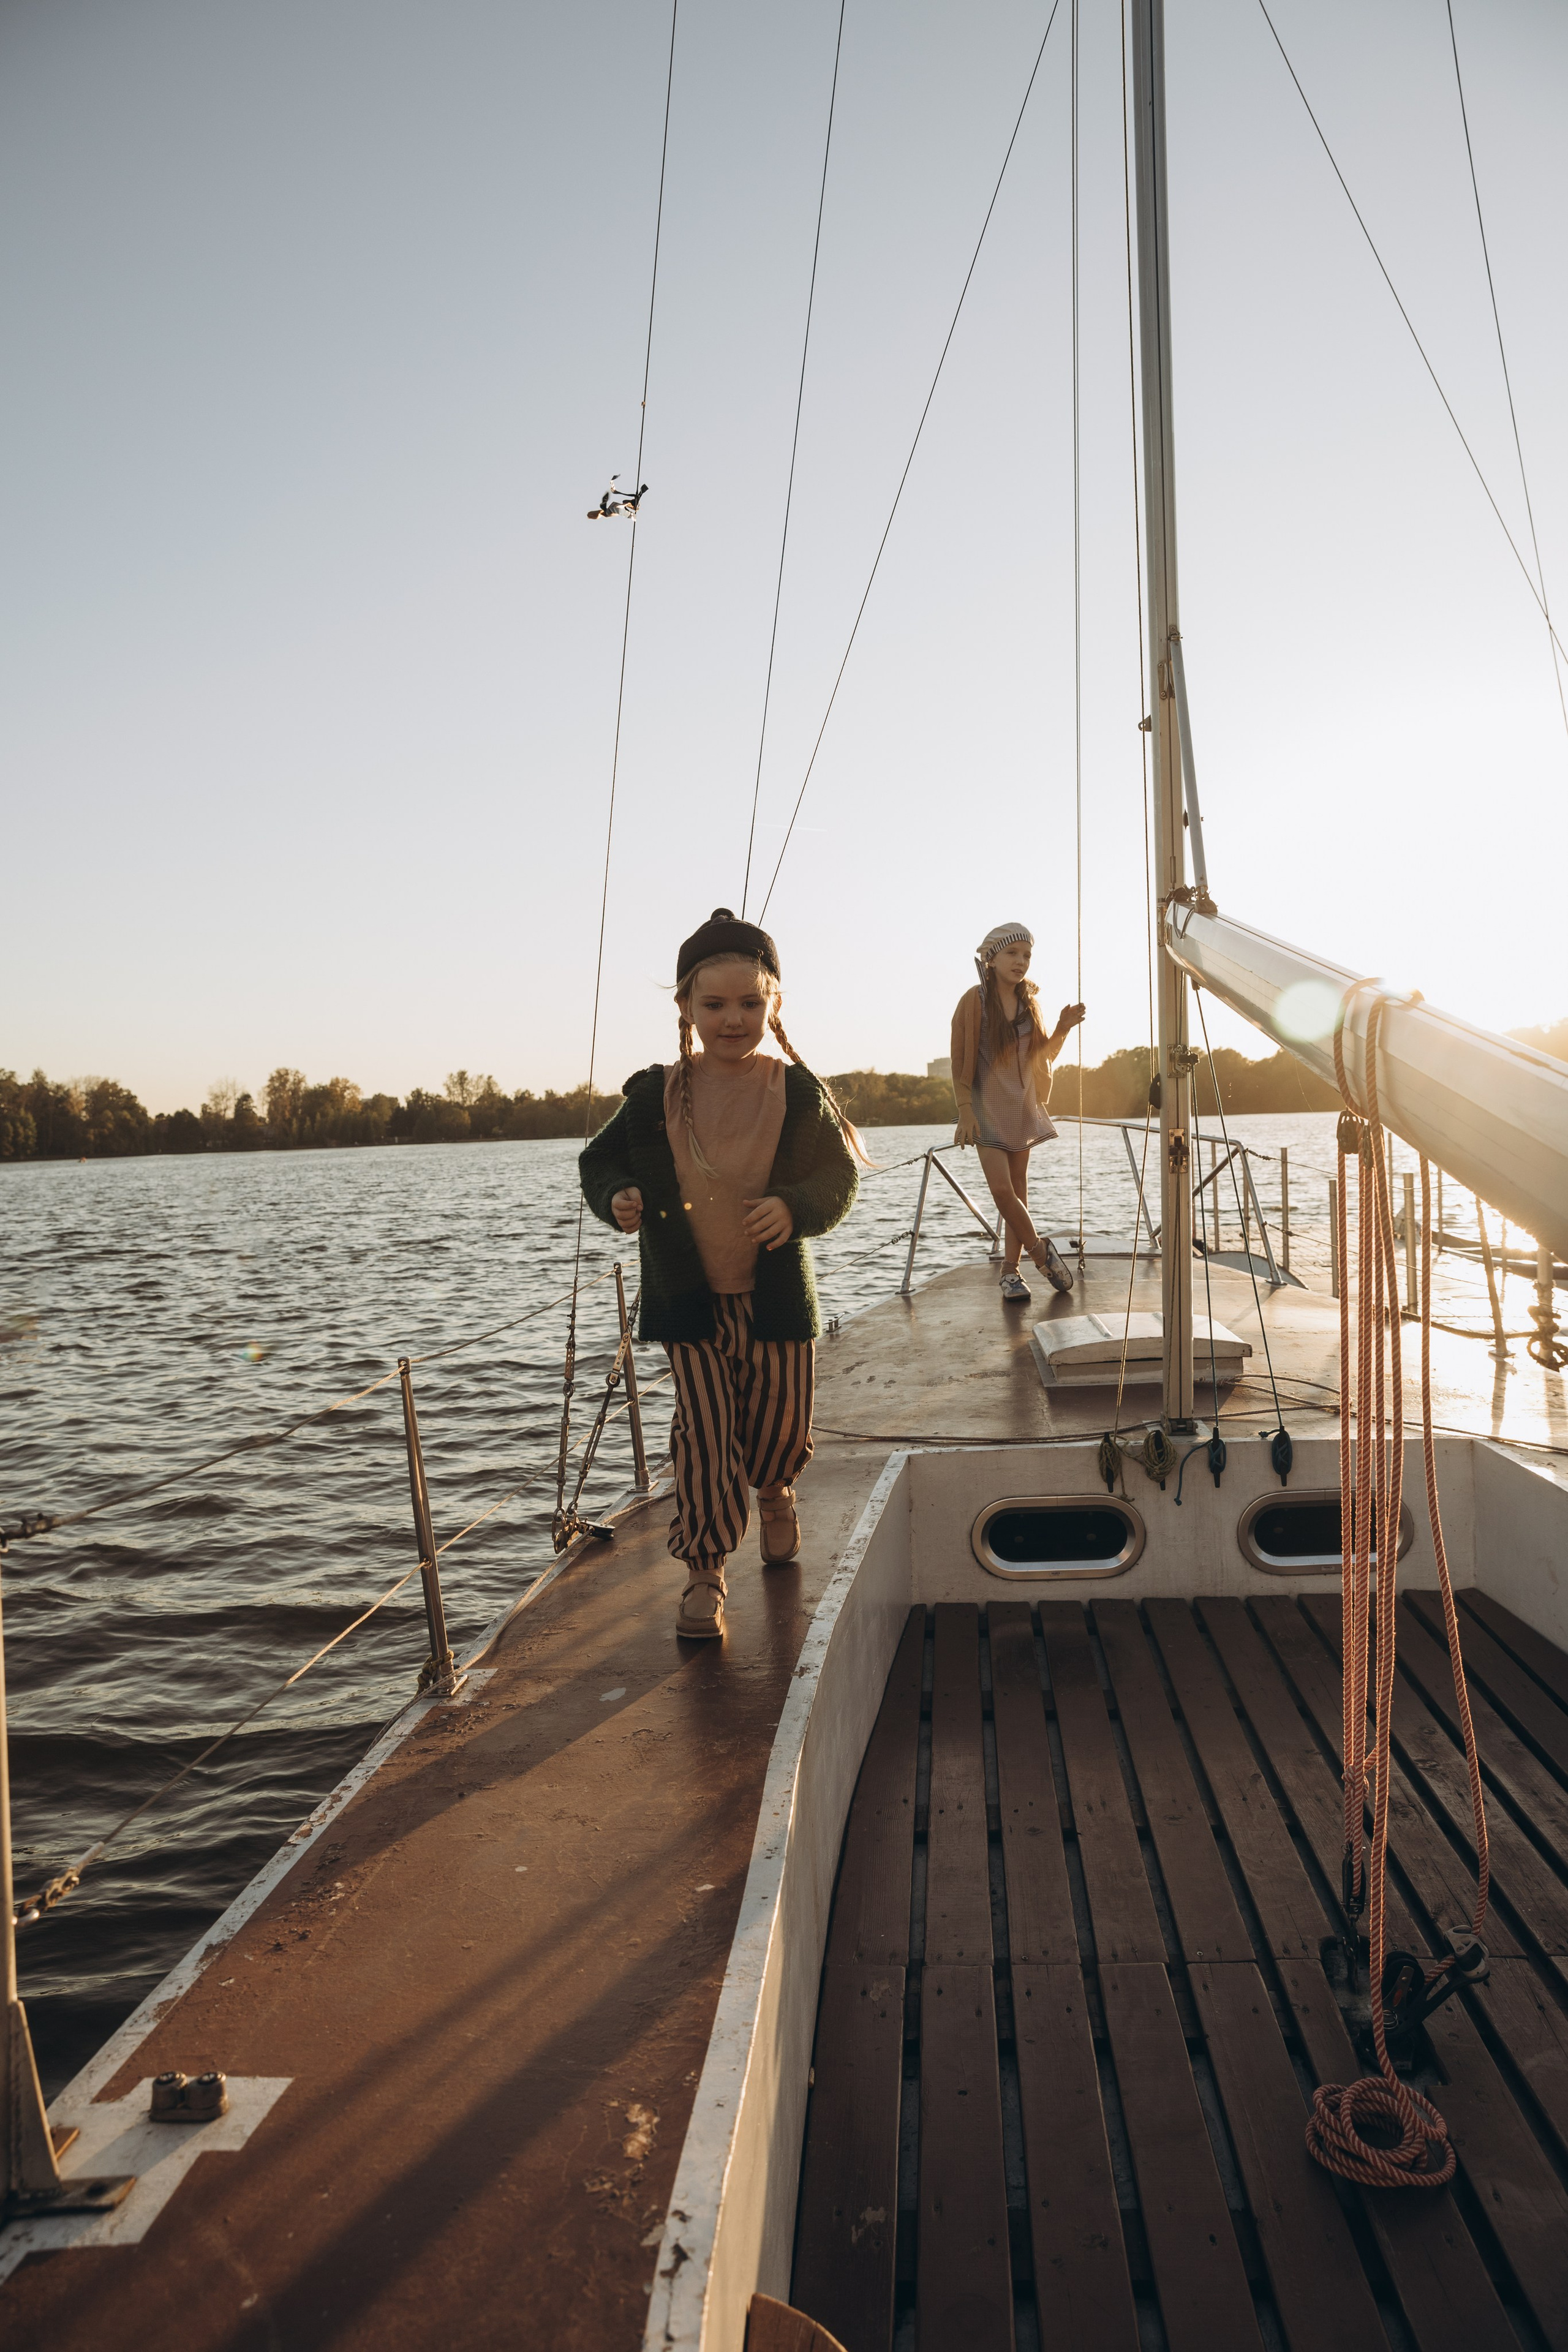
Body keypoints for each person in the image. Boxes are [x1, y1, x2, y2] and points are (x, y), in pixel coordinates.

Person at [579, 908, 862, 1642]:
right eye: (714, 1005)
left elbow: (836, 1176)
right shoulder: (654, 1095)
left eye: (749, 1003)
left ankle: (775, 1491)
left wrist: (795, 1207)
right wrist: (617, 1196)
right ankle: (705, 1568)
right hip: (689, 1303)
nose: (732, 1019)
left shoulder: (796, 1091)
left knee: (779, 1429)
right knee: (704, 1435)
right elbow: (598, 1161)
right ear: (685, 1008)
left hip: (775, 1305)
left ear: (774, 1004)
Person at [951, 921, 1085, 1303]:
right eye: (1012, 953)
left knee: (1018, 1192)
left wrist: (1062, 1027)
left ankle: (1012, 1274)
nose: (1021, 961)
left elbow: (1042, 1059)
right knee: (1002, 1192)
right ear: (991, 958)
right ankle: (1041, 1254)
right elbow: (959, 1058)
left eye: (1027, 955)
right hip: (986, 1110)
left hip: (1022, 1105)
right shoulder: (973, 1002)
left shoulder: (1031, 1005)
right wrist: (964, 1110)